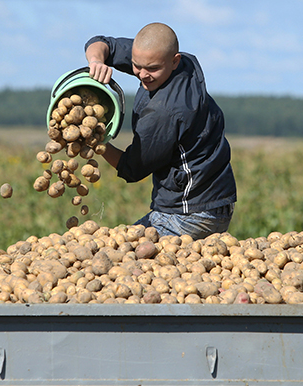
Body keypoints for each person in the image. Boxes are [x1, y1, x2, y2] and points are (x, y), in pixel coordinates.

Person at [84, 22, 237, 240]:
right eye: (136, 65)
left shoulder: (165, 112)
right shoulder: (181, 63)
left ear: (174, 61)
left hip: (192, 213)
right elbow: (103, 44)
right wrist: (96, 60)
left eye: (152, 69)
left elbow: (132, 169)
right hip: (216, 199)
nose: (142, 75)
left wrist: (96, 143)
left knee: (120, 250)